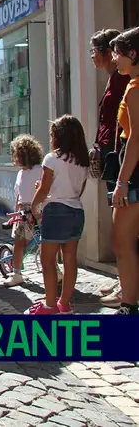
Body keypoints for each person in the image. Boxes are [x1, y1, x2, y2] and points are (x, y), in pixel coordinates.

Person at [27, 115, 90, 314]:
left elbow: (44, 190)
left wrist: (35, 207)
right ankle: (64, 303)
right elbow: (78, 191)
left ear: (59, 137)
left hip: (56, 211)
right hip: (76, 211)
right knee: (70, 259)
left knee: (48, 261)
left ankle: (50, 305)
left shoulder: (52, 158)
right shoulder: (82, 161)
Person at [89, 29, 132, 307]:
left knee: (124, 229)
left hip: (119, 156)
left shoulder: (123, 81)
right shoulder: (114, 79)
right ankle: (123, 280)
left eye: (95, 50)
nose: (92, 56)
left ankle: (128, 288)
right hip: (111, 153)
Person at [110, 27, 139, 315]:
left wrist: (122, 182)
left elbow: (135, 138)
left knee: (122, 241)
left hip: (135, 173)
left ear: (133, 54)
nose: (115, 59)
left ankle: (129, 306)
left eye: (118, 53)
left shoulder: (134, 88)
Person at [3, 134, 44, 287]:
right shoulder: (20, 174)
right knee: (19, 243)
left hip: (38, 209)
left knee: (44, 242)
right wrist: (14, 215)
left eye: (16, 155)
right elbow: (18, 196)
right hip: (23, 211)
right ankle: (16, 272)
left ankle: (54, 269)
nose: (14, 159)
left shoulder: (40, 170)